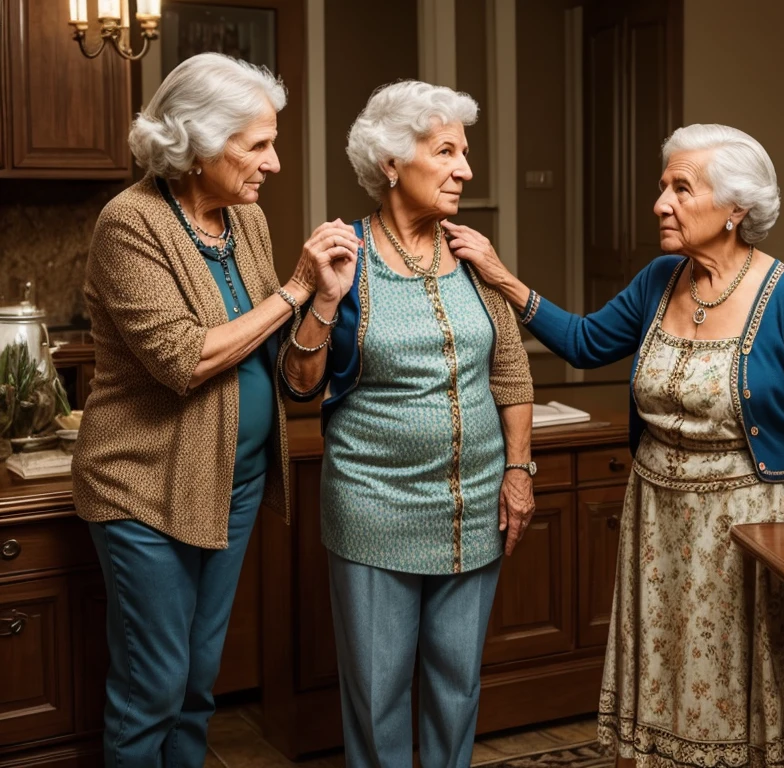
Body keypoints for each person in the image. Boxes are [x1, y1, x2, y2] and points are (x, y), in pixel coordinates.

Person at [446, 123, 784, 767]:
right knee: (663, 670)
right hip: (655, 517)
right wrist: (502, 277)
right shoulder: (659, 279)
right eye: (661, 186)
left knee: (730, 677)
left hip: (746, 528)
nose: (660, 203)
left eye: (681, 187)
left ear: (736, 209)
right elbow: (587, 342)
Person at [72, 53, 357, 768]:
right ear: (199, 142)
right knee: (154, 688)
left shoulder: (244, 222)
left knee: (198, 684)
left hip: (231, 485)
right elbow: (184, 360)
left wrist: (321, 302)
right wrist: (293, 292)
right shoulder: (129, 222)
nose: (276, 162)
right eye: (258, 143)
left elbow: (291, 375)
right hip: (145, 489)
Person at [279, 80, 535, 767]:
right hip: (375, 507)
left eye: (465, 151)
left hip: (473, 505)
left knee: (457, 686)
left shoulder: (473, 253)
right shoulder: (345, 254)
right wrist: (324, 300)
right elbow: (300, 384)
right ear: (393, 161)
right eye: (446, 150)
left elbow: (510, 372)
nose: (465, 169)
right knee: (378, 692)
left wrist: (517, 470)